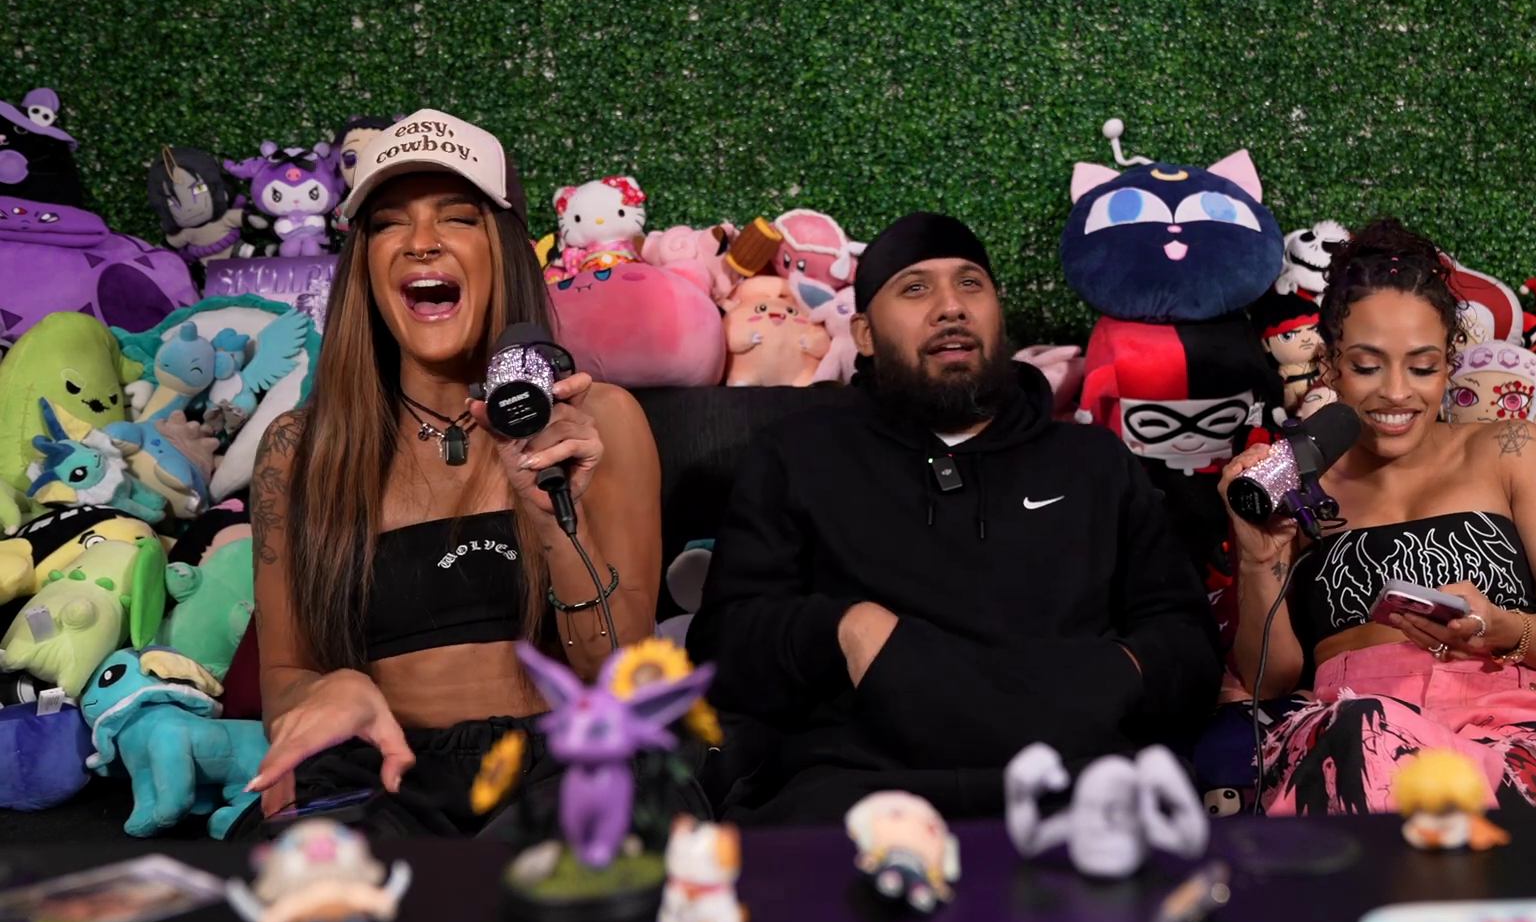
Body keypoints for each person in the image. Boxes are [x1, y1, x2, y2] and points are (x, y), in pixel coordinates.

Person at [688, 212, 1220, 824]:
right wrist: (846, 630)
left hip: (1080, 786)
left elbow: (1186, 644)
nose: (950, 307)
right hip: (861, 792)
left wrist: (1115, 674)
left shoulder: (1093, 461)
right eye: (915, 288)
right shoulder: (797, 454)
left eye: (970, 284)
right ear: (863, 334)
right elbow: (723, 649)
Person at [240, 109, 665, 836]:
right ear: (363, 268)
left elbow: (623, 680)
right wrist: (331, 691)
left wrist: (552, 518)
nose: (421, 242)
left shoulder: (601, 421)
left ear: (506, 251)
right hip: (381, 774)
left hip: (566, 766)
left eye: (458, 217)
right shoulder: (298, 448)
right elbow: (285, 678)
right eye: (388, 224)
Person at [1228, 217, 1536, 816]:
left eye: (1422, 366)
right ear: (1329, 364)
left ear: (1448, 365)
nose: (1396, 392)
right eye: (1367, 366)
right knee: (1362, 731)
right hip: (1351, 736)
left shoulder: (1510, 449)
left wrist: (1501, 628)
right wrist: (1259, 560)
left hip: (1510, 727)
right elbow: (1271, 679)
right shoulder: (1297, 478)